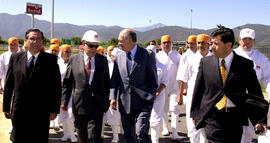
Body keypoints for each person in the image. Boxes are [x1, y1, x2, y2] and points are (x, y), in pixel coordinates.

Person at [190, 26, 268, 143]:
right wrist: (195, 113)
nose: (212, 47)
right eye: (211, 43)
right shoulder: (206, 62)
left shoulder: (244, 65)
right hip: (213, 115)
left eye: (216, 44)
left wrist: (261, 118)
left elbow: (255, 91)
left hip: (235, 117)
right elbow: (199, 89)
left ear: (228, 45)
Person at [2, 28, 62, 143]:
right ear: (26, 41)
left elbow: (56, 88)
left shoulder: (51, 60)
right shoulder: (15, 58)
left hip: (41, 112)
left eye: (38, 39)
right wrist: (6, 106)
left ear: (42, 41)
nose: (35, 42)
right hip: (19, 110)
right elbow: (9, 84)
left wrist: (54, 109)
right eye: (32, 39)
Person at [61, 30, 110, 143]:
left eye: (96, 46)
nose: (94, 48)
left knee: (93, 136)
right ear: (83, 45)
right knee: (82, 134)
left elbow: (106, 83)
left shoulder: (102, 60)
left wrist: (106, 102)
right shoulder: (74, 59)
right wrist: (64, 101)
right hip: (80, 104)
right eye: (91, 45)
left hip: (97, 104)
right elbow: (68, 83)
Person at [110, 28, 158, 143]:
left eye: (120, 41)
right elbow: (114, 79)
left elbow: (153, 80)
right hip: (125, 102)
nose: (118, 44)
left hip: (143, 102)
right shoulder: (118, 56)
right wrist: (112, 98)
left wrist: (150, 98)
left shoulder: (147, 54)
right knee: (129, 135)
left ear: (130, 40)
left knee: (141, 133)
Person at [234, 28, 270, 143]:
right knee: (235, 131)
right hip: (235, 99)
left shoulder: (261, 58)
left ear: (254, 41)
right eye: (244, 39)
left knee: (249, 132)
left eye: (250, 39)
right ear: (239, 40)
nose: (247, 42)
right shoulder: (232, 55)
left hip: (253, 100)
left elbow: (267, 78)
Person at [177, 34, 211, 143]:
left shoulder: (214, 59)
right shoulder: (191, 59)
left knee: (207, 128)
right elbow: (184, 78)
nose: (201, 45)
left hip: (208, 98)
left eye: (204, 43)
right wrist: (180, 95)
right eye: (199, 43)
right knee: (192, 126)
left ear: (209, 44)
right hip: (193, 97)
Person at [156, 34, 181, 140]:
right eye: (164, 42)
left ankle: (175, 133)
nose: (166, 44)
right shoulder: (157, 56)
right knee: (164, 109)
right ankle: (165, 128)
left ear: (171, 43)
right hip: (162, 87)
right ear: (161, 44)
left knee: (174, 109)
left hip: (175, 87)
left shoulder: (177, 55)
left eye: (168, 42)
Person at [147, 45, 168, 143]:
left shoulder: (162, 66)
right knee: (145, 119)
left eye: (151, 51)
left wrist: (157, 92)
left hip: (158, 96)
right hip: (145, 96)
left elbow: (164, 82)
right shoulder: (143, 65)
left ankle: (155, 140)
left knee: (155, 119)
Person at [57, 44, 78, 142]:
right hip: (60, 92)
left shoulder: (75, 63)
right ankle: (66, 134)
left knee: (71, 114)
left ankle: (72, 134)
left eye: (70, 51)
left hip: (72, 92)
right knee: (63, 114)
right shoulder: (58, 63)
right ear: (61, 53)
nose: (68, 53)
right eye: (66, 51)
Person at [176, 35, 197, 101]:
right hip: (189, 87)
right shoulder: (185, 56)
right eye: (189, 43)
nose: (190, 45)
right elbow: (182, 74)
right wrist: (184, 89)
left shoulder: (201, 54)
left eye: (192, 43)